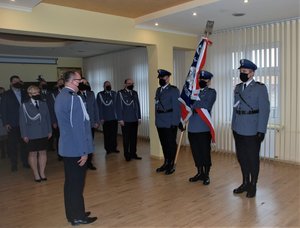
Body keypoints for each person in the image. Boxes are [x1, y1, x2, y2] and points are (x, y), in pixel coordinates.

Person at [55, 71, 97, 225]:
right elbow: (77, 127)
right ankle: (78, 216)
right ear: (72, 81)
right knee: (77, 184)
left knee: (70, 183)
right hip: (75, 149)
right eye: (80, 80)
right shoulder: (73, 99)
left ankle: (73, 213)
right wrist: (83, 152)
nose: (82, 82)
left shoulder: (61, 96)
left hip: (67, 147)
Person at [232, 59, 270, 198]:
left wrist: (261, 130)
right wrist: (233, 126)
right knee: (241, 158)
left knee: (252, 158)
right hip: (239, 128)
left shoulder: (260, 88)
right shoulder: (237, 88)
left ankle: (253, 185)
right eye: (241, 71)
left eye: (245, 71)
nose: (242, 73)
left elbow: (265, 110)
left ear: (252, 73)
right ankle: (245, 183)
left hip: (253, 129)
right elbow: (235, 109)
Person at [187, 70, 216, 185]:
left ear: (208, 81)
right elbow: (186, 104)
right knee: (196, 152)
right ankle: (199, 173)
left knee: (205, 152)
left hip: (203, 127)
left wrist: (193, 103)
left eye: (204, 79)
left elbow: (206, 105)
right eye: (200, 79)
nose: (201, 81)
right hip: (192, 127)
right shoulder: (193, 91)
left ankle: (206, 174)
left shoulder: (211, 92)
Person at [19, 85, 52, 182]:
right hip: (31, 133)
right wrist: (24, 134)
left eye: (38, 92)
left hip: (43, 132)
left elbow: (47, 118)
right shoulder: (24, 105)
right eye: (34, 93)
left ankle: (42, 172)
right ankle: (36, 174)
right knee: (32, 154)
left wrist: (49, 130)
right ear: (29, 94)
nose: (37, 94)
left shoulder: (43, 103)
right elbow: (22, 121)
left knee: (43, 152)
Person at [155, 69, 181, 175]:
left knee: (171, 144)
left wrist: (175, 123)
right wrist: (156, 120)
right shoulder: (158, 90)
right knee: (164, 144)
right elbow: (156, 106)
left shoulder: (173, 90)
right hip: (160, 121)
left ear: (168, 78)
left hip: (169, 121)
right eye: (160, 78)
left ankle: (171, 164)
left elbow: (176, 107)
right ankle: (165, 163)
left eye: (163, 77)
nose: (161, 79)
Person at [1, 75, 29, 171]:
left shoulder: (25, 93)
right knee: (12, 146)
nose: (17, 82)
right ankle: (14, 164)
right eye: (15, 81)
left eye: (18, 81)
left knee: (24, 145)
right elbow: (3, 109)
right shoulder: (6, 94)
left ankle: (25, 162)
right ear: (11, 83)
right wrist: (6, 123)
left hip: (24, 124)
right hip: (12, 124)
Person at [116, 78, 142, 161]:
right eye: (129, 83)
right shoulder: (120, 93)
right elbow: (118, 107)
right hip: (125, 120)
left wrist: (139, 117)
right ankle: (127, 155)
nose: (131, 84)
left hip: (134, 119)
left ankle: (133, 154)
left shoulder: (135, 93)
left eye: (132, 83)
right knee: (126, 139)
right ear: (125, 84)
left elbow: (137, 105)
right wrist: (120, 119)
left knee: (134, 138)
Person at [78, 77, 99, 170]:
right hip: (80, 124)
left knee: (90, 143)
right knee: (81, 143)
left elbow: (95, 108)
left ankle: (89, 162)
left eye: (86, 83)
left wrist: (96, 121)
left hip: (90, 123)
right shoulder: (75, 95)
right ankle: (81, 162)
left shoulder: (91, 94)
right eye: (82, 82)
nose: (84, 84)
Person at [96, 81, 119, 155]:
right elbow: (99, 107)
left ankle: (114, 148)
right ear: (104, 86)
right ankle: (108, 149)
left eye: (109, 85)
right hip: (105, 118)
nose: (108, 86)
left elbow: (117, 106)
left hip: (114, 117)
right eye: (107, 85)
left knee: (114, 134)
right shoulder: (100, 94)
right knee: (107, 134)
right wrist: (101, 118)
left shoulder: (114, 93)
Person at [48, 78, 64, 160]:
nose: (61, 84)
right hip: (57, 121)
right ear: (57, 85)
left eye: (62, 82)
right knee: (59, 138)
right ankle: (60, 155)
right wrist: (54, 121)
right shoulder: (52, 94)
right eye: (59, 83)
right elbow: (51, 109)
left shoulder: (69, 93)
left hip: (68, 121)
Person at [0, 87, 7, 159]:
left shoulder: (6, 99)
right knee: (1, 139)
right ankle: (3, 152)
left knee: (7, 138)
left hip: (6, 121)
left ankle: (8, 152)